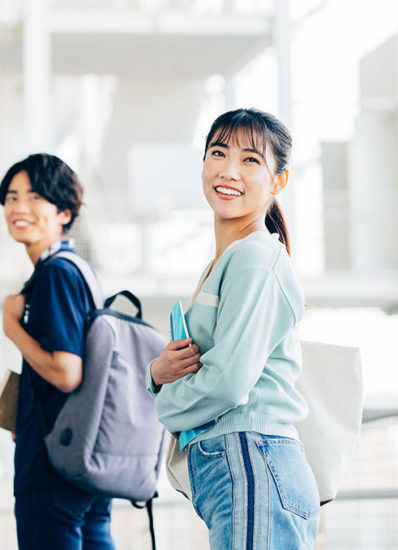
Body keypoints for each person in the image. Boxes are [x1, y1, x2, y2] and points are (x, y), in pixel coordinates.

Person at [148, 108, 319, 549]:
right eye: (218, 153)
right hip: (247, 462)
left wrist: (164, 407)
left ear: (278, 181)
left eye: (250, 160)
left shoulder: (255, 257)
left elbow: (227, 383)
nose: (228, 170)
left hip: (250, 457)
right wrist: (159, 373)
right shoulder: (230, 260)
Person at [0, 154, 115, 550]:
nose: (19, 208)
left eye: (34, 198)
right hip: (84, 459)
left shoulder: (56, 274)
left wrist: (12, 328)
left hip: (52, 464)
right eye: (12, 198)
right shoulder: (77, 270)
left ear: (64, 212)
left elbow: (67, 372)